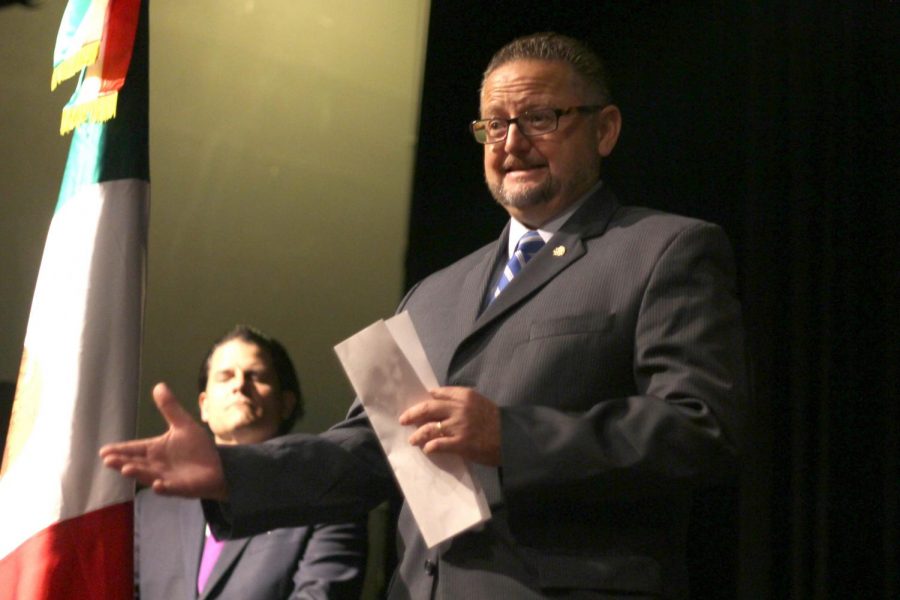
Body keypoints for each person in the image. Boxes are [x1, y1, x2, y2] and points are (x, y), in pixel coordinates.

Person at [103, 32, 747, 599]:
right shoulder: (434, 293)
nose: (513, 142)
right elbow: (369, 452)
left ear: (604, 129)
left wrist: (513, 437)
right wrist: (230, 472)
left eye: (541, 117)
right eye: (494, 125)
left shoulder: (665, 249)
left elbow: (701, 428)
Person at [134, 325, 367, 599]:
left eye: (255, 375)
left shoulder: (327, 496)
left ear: (287, 403)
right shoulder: (147, 508)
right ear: (204, 405)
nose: (239, 385)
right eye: (225, 376)